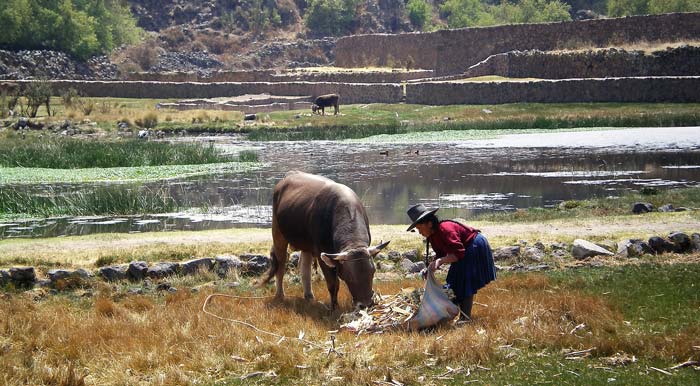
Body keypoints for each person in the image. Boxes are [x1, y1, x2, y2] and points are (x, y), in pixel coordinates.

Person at [406, 204, 496, 321]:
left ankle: (465, 318)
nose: (419, 232)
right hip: (464, 250)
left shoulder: (445, 229)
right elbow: (441, 254)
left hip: (474, 245)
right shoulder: (433, 236)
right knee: (453, 282)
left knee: (464, 281)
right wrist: (430, 267)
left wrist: (441, 261)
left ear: (429, 223)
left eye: (419, 228)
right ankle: (449, 312)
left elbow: (459, 253)